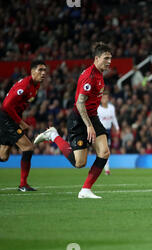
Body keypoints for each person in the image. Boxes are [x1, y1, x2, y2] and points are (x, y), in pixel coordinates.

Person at [34, 42, 112, 199]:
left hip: (92, 117)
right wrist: (89, 126)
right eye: (106, 58)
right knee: (79, 163)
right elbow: (79, 103)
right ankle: (53, 135)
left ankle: (85, 190)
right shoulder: (90, 77)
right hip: (78, 119)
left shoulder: (98, 74)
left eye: (110, 58)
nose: (109, 62)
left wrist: (92, 122)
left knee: (104, 152)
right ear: (97, 58)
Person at [0, 60, 47, 192]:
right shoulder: (25, 85)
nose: (43, 73)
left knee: (3, 157)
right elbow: (6, 106)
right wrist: (20, 121)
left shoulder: (36, 85)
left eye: (45, 71)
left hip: (10, 119)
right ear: (32, 72)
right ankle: (23, 184)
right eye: (40, 70)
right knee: (28, 147)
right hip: (6, 118)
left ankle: (23, 184)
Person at [97, 94, 120, 175]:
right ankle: (105, 169)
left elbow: (113, 118)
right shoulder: (98, 109)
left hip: (108, 131)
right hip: (100, 131)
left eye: (106, 97)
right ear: (100, 99)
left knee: (106, 150)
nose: (105, 99)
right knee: (104, 150)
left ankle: (105, 168)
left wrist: (117, 128)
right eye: (103, 98)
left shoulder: (111, 107)